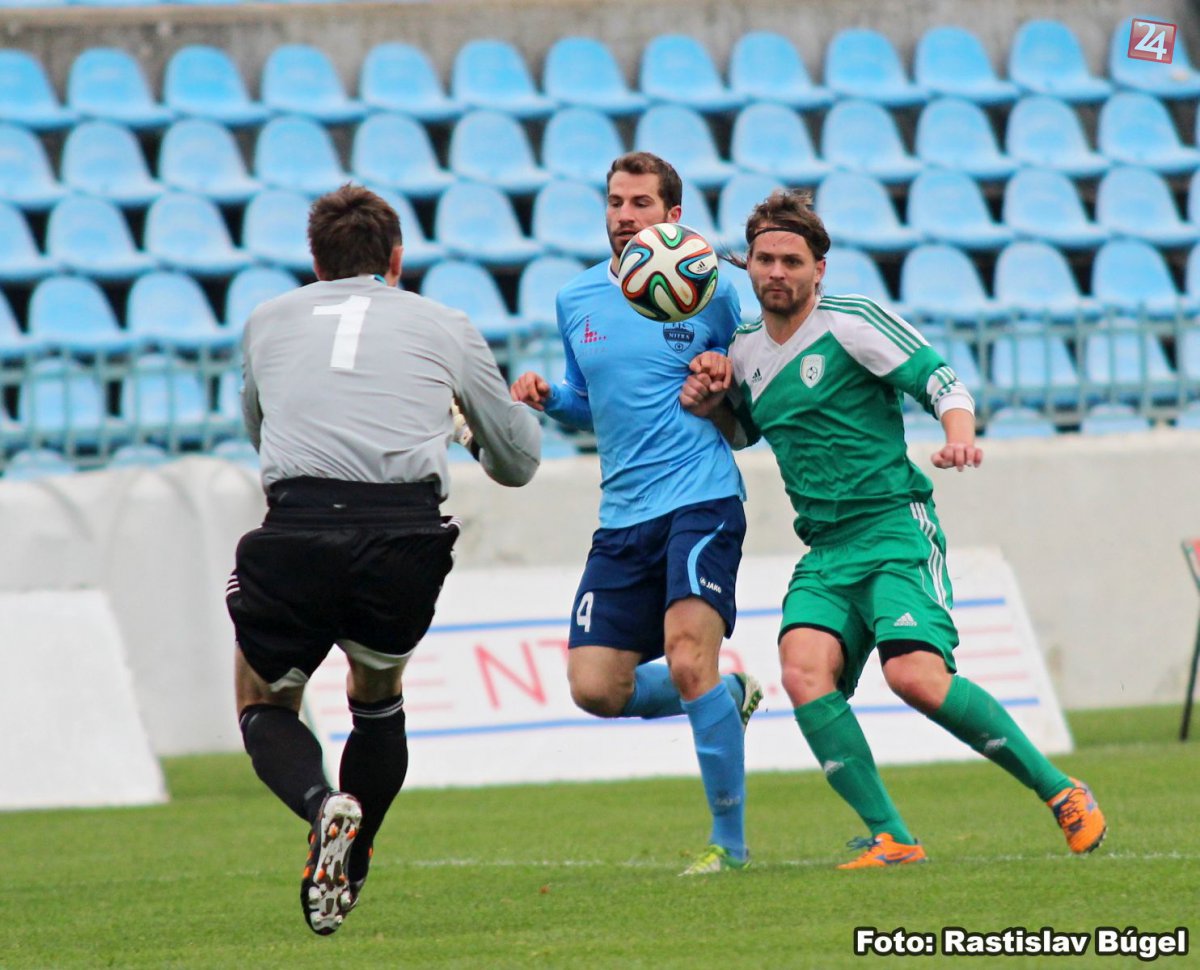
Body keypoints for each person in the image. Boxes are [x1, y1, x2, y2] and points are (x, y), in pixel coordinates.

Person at [680, 189, 1106, 868]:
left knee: (914, 676)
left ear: (819, 268)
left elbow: (942, 382)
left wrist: (958, 436)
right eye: (764, 259)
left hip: (893, 530)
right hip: (826, 549)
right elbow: (746, 431)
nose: (776, 272)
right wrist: (712, 408)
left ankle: (1061, 791)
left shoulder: (851, 321)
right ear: (750, 265)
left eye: (792, 260)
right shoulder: (745, 350)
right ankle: (894, 837)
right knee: (803, 672)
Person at [226, 184, 540, 934]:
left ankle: (319, 806)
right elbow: (519, 463)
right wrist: (467, 430)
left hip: (299, 524)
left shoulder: (267, 319)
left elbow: (259, 431)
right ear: (396, 259)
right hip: (404, 535)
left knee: (262, 698)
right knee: (376, 691)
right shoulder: (444, 323)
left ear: (315, 262)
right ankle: (355, 853)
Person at [509, 152, 763, 875]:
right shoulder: (576, 298)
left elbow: (747, 408)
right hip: (622, 515)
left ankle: (730, 846)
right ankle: (726, 693)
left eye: (641, 203)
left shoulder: (714, 293)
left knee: (687, 656)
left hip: (701, 498)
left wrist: (723, 383)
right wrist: (550, 399)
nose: (625, 215)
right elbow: (590, 403)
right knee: (596, 688)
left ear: (673, 216)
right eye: (616, 202)